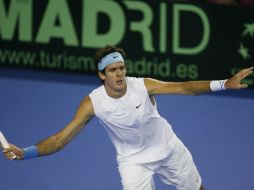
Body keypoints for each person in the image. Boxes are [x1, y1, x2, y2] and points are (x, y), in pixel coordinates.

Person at [1, 45, 253, 190]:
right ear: (102, 75)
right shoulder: (93, 103)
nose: (119, 74)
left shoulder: (143, 85)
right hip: (133, 162)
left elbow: (185, 87)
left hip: (168, 149)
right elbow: (60, 139)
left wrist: (224, 84)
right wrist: (26, 152)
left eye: (122, 68)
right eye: (112, 70)